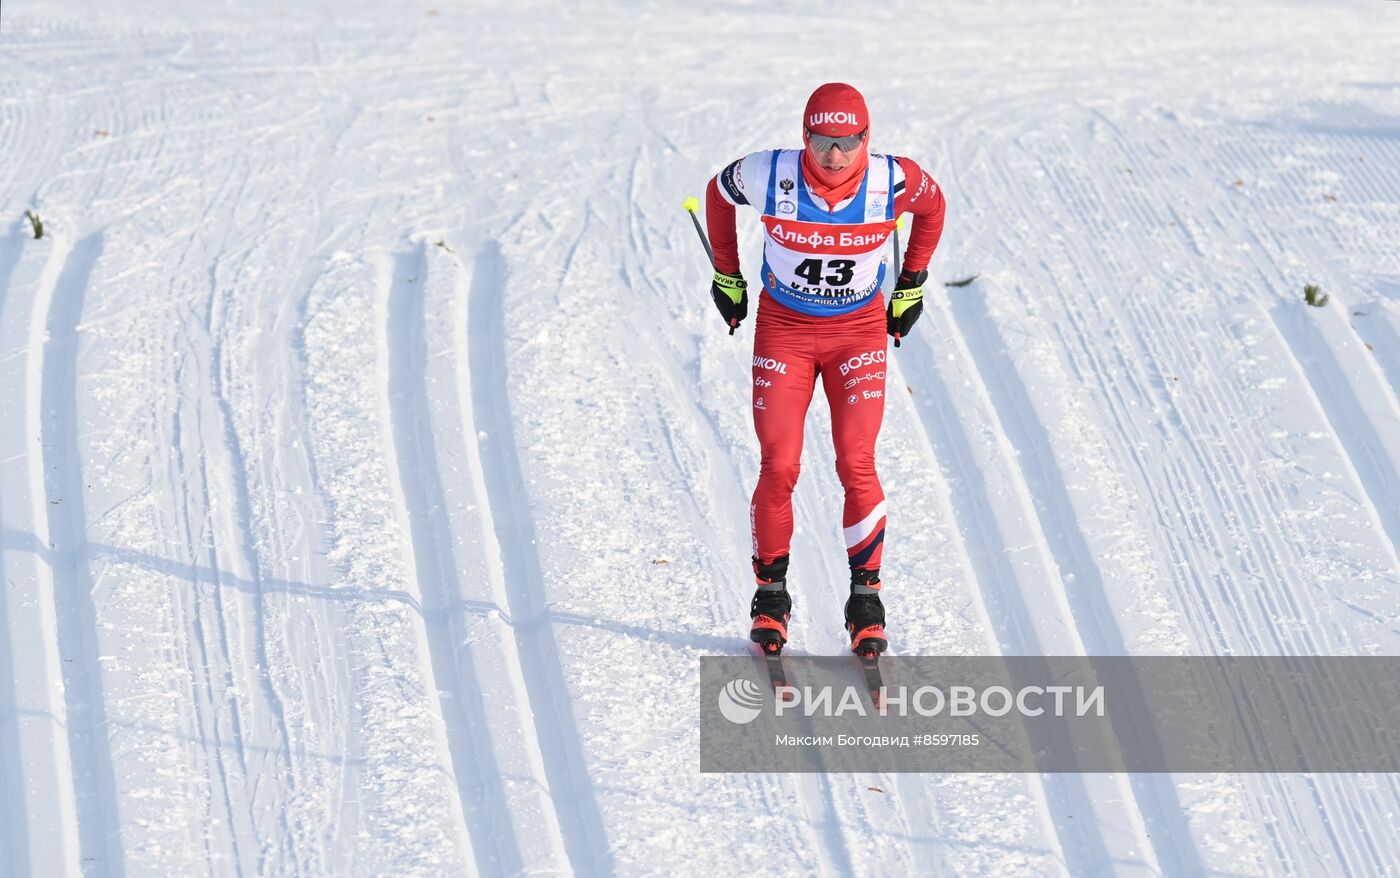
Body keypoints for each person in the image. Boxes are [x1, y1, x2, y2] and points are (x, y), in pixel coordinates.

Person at [704, 82, 946, 656]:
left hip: (856, 333)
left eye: (847, 142)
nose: (834, 156)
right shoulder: (768, 174)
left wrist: (911, 282)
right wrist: (727, 274)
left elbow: (933, 210)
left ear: (867, 138)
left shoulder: (895, 180)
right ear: (803, 136)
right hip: (784, 331)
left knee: (855, 461)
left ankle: (866, 601)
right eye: (821, 142)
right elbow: (717, 195)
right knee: (780, 462)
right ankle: (771, 598)